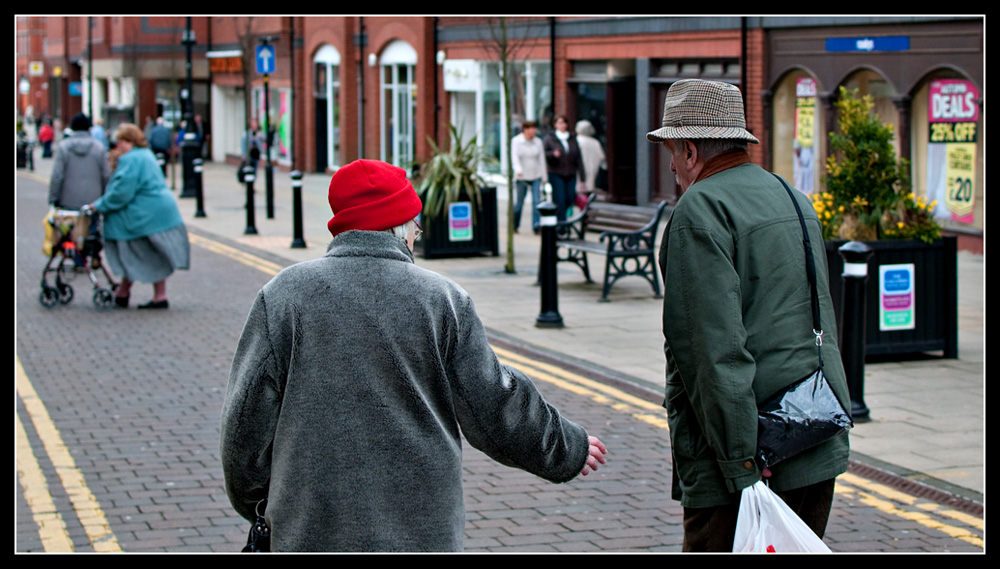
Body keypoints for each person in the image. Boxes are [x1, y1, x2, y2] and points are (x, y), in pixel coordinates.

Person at [221, 159, 608, 552]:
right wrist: (565, 447)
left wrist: (258, 503)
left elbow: (245, 423)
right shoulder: (441, 299)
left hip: (312, 525)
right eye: (415, 227)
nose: (416, 238)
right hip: (422, 529)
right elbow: (494, 404)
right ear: (401, 227)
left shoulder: (284, 295)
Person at [646, 79, 850, 552]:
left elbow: (711, 353)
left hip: (745, 459)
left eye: (672, 154)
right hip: (813, 434)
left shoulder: (699, 209)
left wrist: (741, 461)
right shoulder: (791, 197)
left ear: (691, 150)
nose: (674, 167)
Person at [85, 123, 190, 310]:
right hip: (160, 213)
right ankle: (137, 294)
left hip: (145, 216)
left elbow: (121, 193)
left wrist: (99, 205)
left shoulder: (132, 159)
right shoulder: (146, 154)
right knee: (149, 253)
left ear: (128, 141)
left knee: (134, 253)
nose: (117, 146)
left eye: (120, 142)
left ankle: (136, 295)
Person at [48, 113, 110, 210]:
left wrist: (53, 199)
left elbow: (57, 175)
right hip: (94, 202)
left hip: (68, 200)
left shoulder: (64, 147)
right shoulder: (99, 147)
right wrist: (104, 198)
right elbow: (106, 175)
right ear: (89, 128)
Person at [543, 115, 585, 222]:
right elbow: (544, 155)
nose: (562, 125)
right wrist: (553, 154)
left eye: (564, 122)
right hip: (556, 172)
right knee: (559, 198)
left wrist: (582, 176)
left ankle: (562, 218)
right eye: (560, 122)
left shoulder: (572, 138)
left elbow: (578, 157)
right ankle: (561, 223)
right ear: (555, 124)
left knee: (570, 197)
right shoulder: (550, 138)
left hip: (570, 173)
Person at [510, 120, 547, 234]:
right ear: (525, 130)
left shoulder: (538, 142)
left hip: (536, 175)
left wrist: (544, 177)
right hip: (522, 177)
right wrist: (518, 170)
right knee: (519, 203)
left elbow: (541, 160)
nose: (534, 131)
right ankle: (514, 225)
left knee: (537, 202)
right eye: (531, 128)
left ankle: (536, 226)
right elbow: (514, 157)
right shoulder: (516, 141)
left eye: (535, 128)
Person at [575, 119, 606, 195]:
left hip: (579, 168)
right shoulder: (595, 142)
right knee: (589, 185)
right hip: (592, 167)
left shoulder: (577, 141)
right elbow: (602, 157)